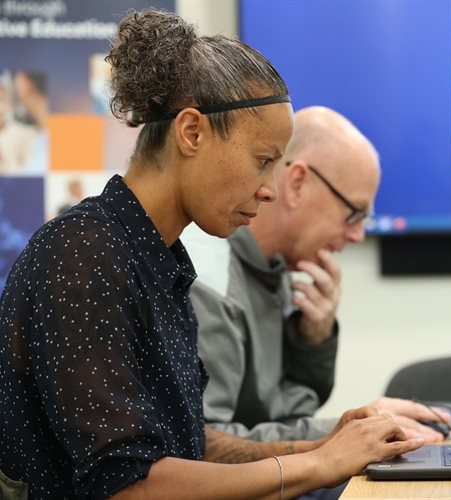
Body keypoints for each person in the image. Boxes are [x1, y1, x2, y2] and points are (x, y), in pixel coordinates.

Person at [0, 9, 424, 500]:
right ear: (192, 133)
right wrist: (317, 464)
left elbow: (189, 452)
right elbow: (127, 485)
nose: (270, 190)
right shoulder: (83, 254)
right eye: (263, 161)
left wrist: (326, 445)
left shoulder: (161, 259)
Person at [184, 106, 451, 449]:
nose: (357, 235)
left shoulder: (279, 267)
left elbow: (288, 415)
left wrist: (313, 340)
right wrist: (342, 433)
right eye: (353, 213)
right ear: (297, 184)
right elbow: (204, 446)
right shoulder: (209, 276)